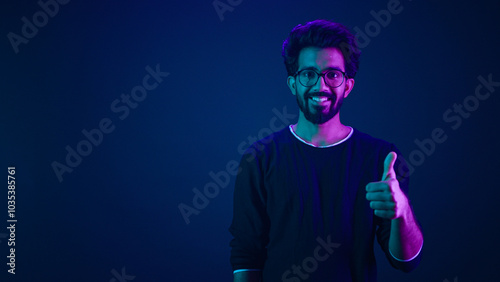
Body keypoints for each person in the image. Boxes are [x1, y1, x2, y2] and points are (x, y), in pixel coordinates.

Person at [229, 19, 423, 282]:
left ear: (348, 85)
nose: (320, 86)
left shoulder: (382, 159)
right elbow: (247, 255)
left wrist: (402, 212)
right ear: (293, 84)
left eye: (332, 74)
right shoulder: (260, 159)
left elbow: (406, 262)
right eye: (308, 74)